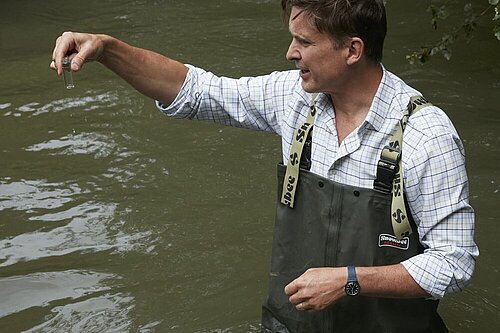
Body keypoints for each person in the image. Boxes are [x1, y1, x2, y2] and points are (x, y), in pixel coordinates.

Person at [50, 0, 478, 332]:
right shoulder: (295, 100)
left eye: (304, 42)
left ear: (352, 49)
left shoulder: (426, 136)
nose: (290, 53)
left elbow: (454, 261)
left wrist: (349, 280)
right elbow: (199, 90)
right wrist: (108, 49)